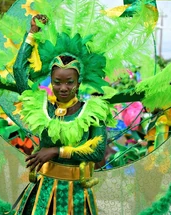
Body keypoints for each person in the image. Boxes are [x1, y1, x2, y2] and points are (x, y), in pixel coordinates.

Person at [13, 15, 109, 214]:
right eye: (57, 82)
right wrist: (32, 33)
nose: (63, 88)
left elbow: (98, 151)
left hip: (77, 196)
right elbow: (19, 71)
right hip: (43, 191)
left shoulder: (93, 112)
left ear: (79, 82)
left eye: (69, 82)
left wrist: (57, 151)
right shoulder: (43, 108)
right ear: (51, 81)